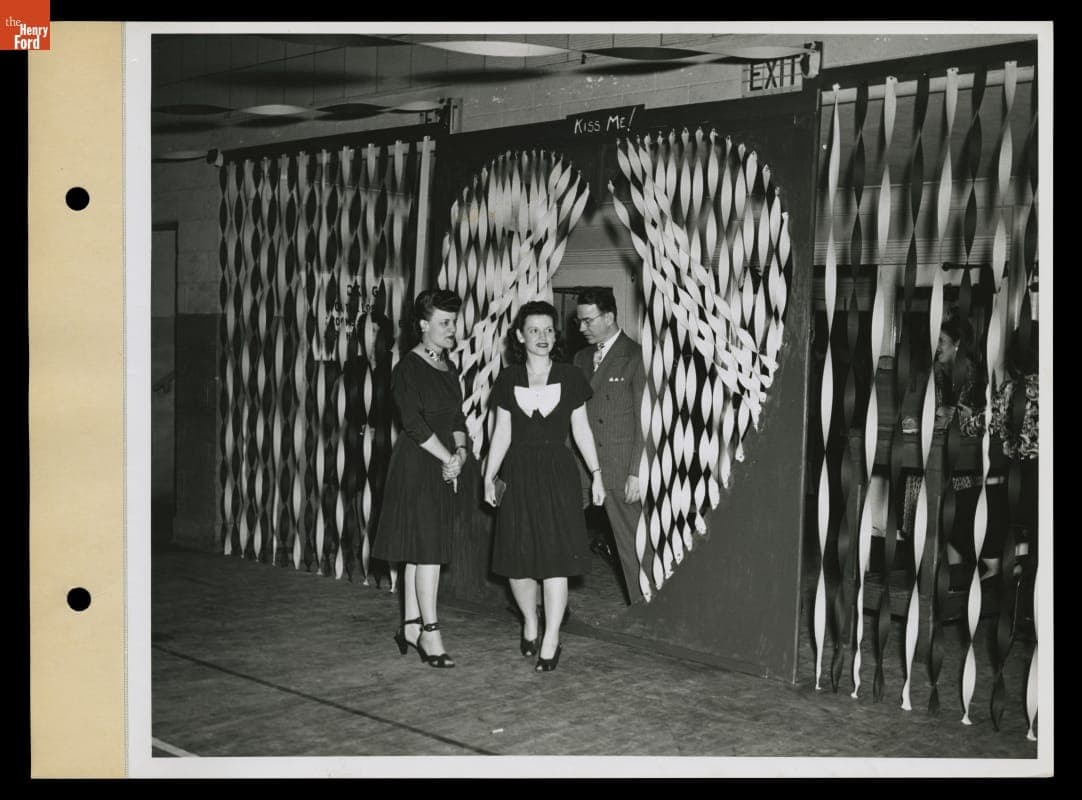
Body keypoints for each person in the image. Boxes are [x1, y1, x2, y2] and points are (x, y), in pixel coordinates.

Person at [483, 301, 607, 672]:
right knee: (518, 566)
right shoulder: (507, 380)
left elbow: (582, 430)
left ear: (556, 335)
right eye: (534, 330)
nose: (542, 337)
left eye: (548, 330)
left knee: (555, 561)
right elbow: (501, 433)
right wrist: (489, 476)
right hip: (518, 475)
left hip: (557, 475)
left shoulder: (569, 377)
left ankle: (552, 638)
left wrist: (597, 473)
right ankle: (531, 621)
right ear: (520, 336)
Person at [371, 289, 469, 669]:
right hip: (417, 464)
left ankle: (410, 626)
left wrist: (461, 454)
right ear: (424, 326)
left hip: (445, 463)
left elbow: (457, 419)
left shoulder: (449, 367)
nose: (452, 329)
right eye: (445, 323)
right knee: (426, 551)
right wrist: (448, 458)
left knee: (420, 549)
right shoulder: (407, 369)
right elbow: (412, 423)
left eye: (454, 322)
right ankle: (430, 632)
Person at [572, 287, 648, 604]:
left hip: (619, 469)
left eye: (588, 321)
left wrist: (636, 472)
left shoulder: (637, 357)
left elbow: (647, 421)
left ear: (609, 317)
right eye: (580, 321)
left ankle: (644, 607)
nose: (581, 328)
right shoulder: (580, 358)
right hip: (582, 468)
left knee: (632, 546)